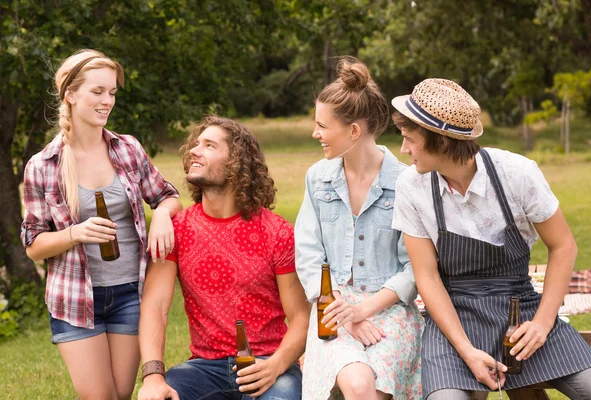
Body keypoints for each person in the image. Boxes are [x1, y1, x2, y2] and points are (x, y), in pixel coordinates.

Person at [390, 78, 591, 399]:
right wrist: (466, 350)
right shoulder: (411, 186)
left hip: (523, 311)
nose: (404, 150)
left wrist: (542, 324)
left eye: (410, 140)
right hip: (454, 321)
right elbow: (427, 277)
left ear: (442, 142)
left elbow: (563, 246)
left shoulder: (517, 173)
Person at [21, 49, 182, 400]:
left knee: (121, 396)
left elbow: (168, 195)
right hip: (75, 299)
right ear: (70, 94)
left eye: (111, 92)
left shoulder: (127, 149)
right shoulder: (43, 164)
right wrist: (74, 234)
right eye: (98, 92)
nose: (107, 100)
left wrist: (163, 216)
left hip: (128, 294)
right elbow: (33, 245)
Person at [137, 116, 309, 400]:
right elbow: (155, 306)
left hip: (268, 364)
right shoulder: (177, 230)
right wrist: (154, 377)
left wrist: (276, 365)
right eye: (196, 144)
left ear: (236, 163)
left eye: (209, 145)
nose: (194, 150)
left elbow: (301, 317)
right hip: (204, 369)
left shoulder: (277, 232)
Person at [294, 58, 423, 400]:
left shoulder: (406, 183)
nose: (315, 133)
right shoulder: (317, 178)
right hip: (332, 308)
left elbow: (415, 268)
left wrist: (364, 311)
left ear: (353, 131)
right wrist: (344, 312)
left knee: (373, 390)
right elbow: (308, 254)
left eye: (323, 126)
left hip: (391, 310)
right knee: (359, 384)